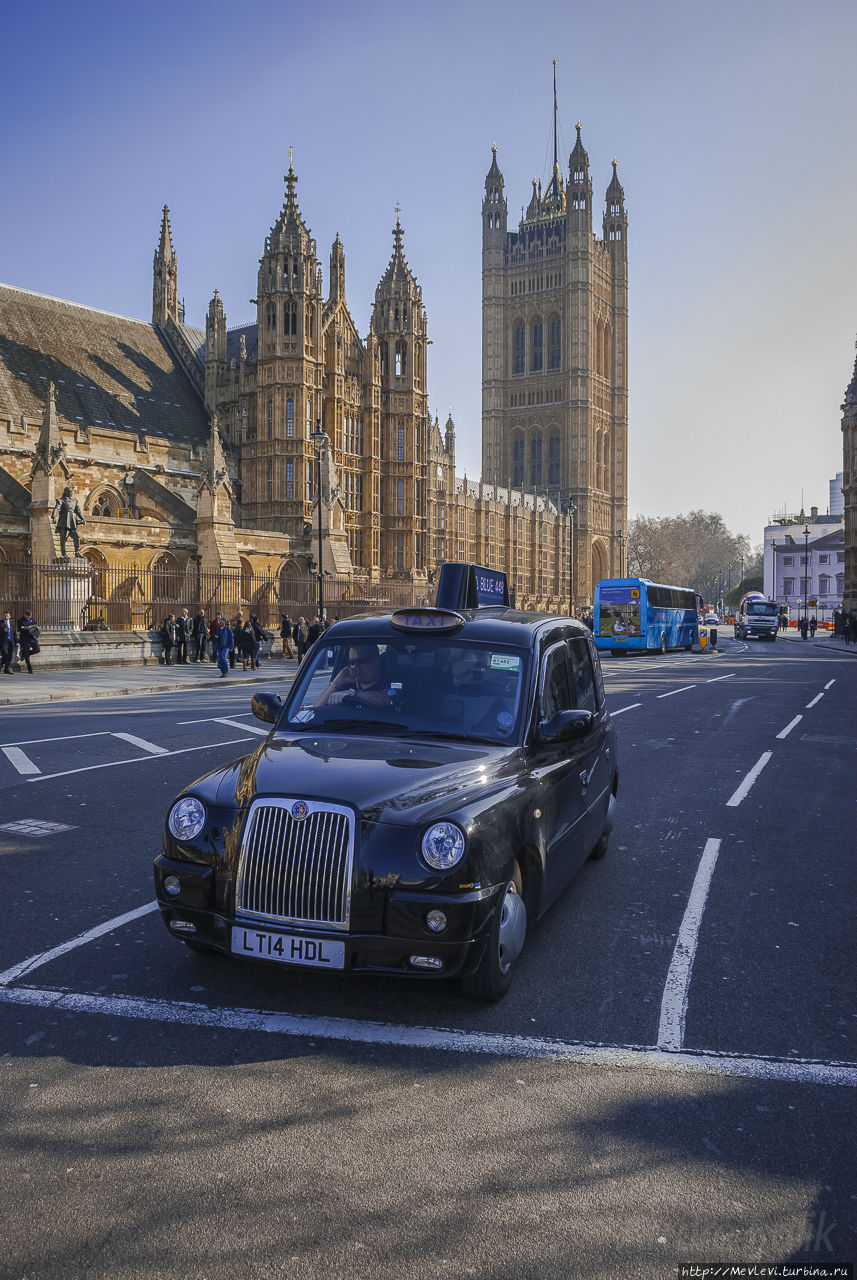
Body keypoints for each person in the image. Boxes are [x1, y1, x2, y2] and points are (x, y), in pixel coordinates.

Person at [315, 644, 391, 708]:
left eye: (361, 661)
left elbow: (387, 699)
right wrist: (336, 682)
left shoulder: (389, 682)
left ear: (376, 661)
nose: (355, 666)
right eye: (351, 662)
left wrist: (353, 694)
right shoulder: (345, 684)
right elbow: (316, 710)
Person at [51, 485, 86, 558]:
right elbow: (56, 508)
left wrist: (83, 518)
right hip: (64, 519)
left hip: (73, 520)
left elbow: (78, 511)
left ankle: (77, 552)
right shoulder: (61, 500)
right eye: (70, 492)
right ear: (66, 492)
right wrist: (53, 516)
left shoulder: (74, 501)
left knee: (77, 536)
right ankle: (64, 554)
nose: (71, 494)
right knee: (63, 537)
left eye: (72, 492)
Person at [17, 609, 39, 674]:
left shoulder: (32, 619)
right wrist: (26, 628)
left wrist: (34, 630)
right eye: (27, 617)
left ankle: (24, 654)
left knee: (37, 649)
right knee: (27, 656)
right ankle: (30, 669)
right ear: (25, 615)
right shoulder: (20, 620)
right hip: (25, 638)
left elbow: (35, 627)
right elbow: (19, 629)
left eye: (30, 617)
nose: (29, 618)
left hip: (32, 638)